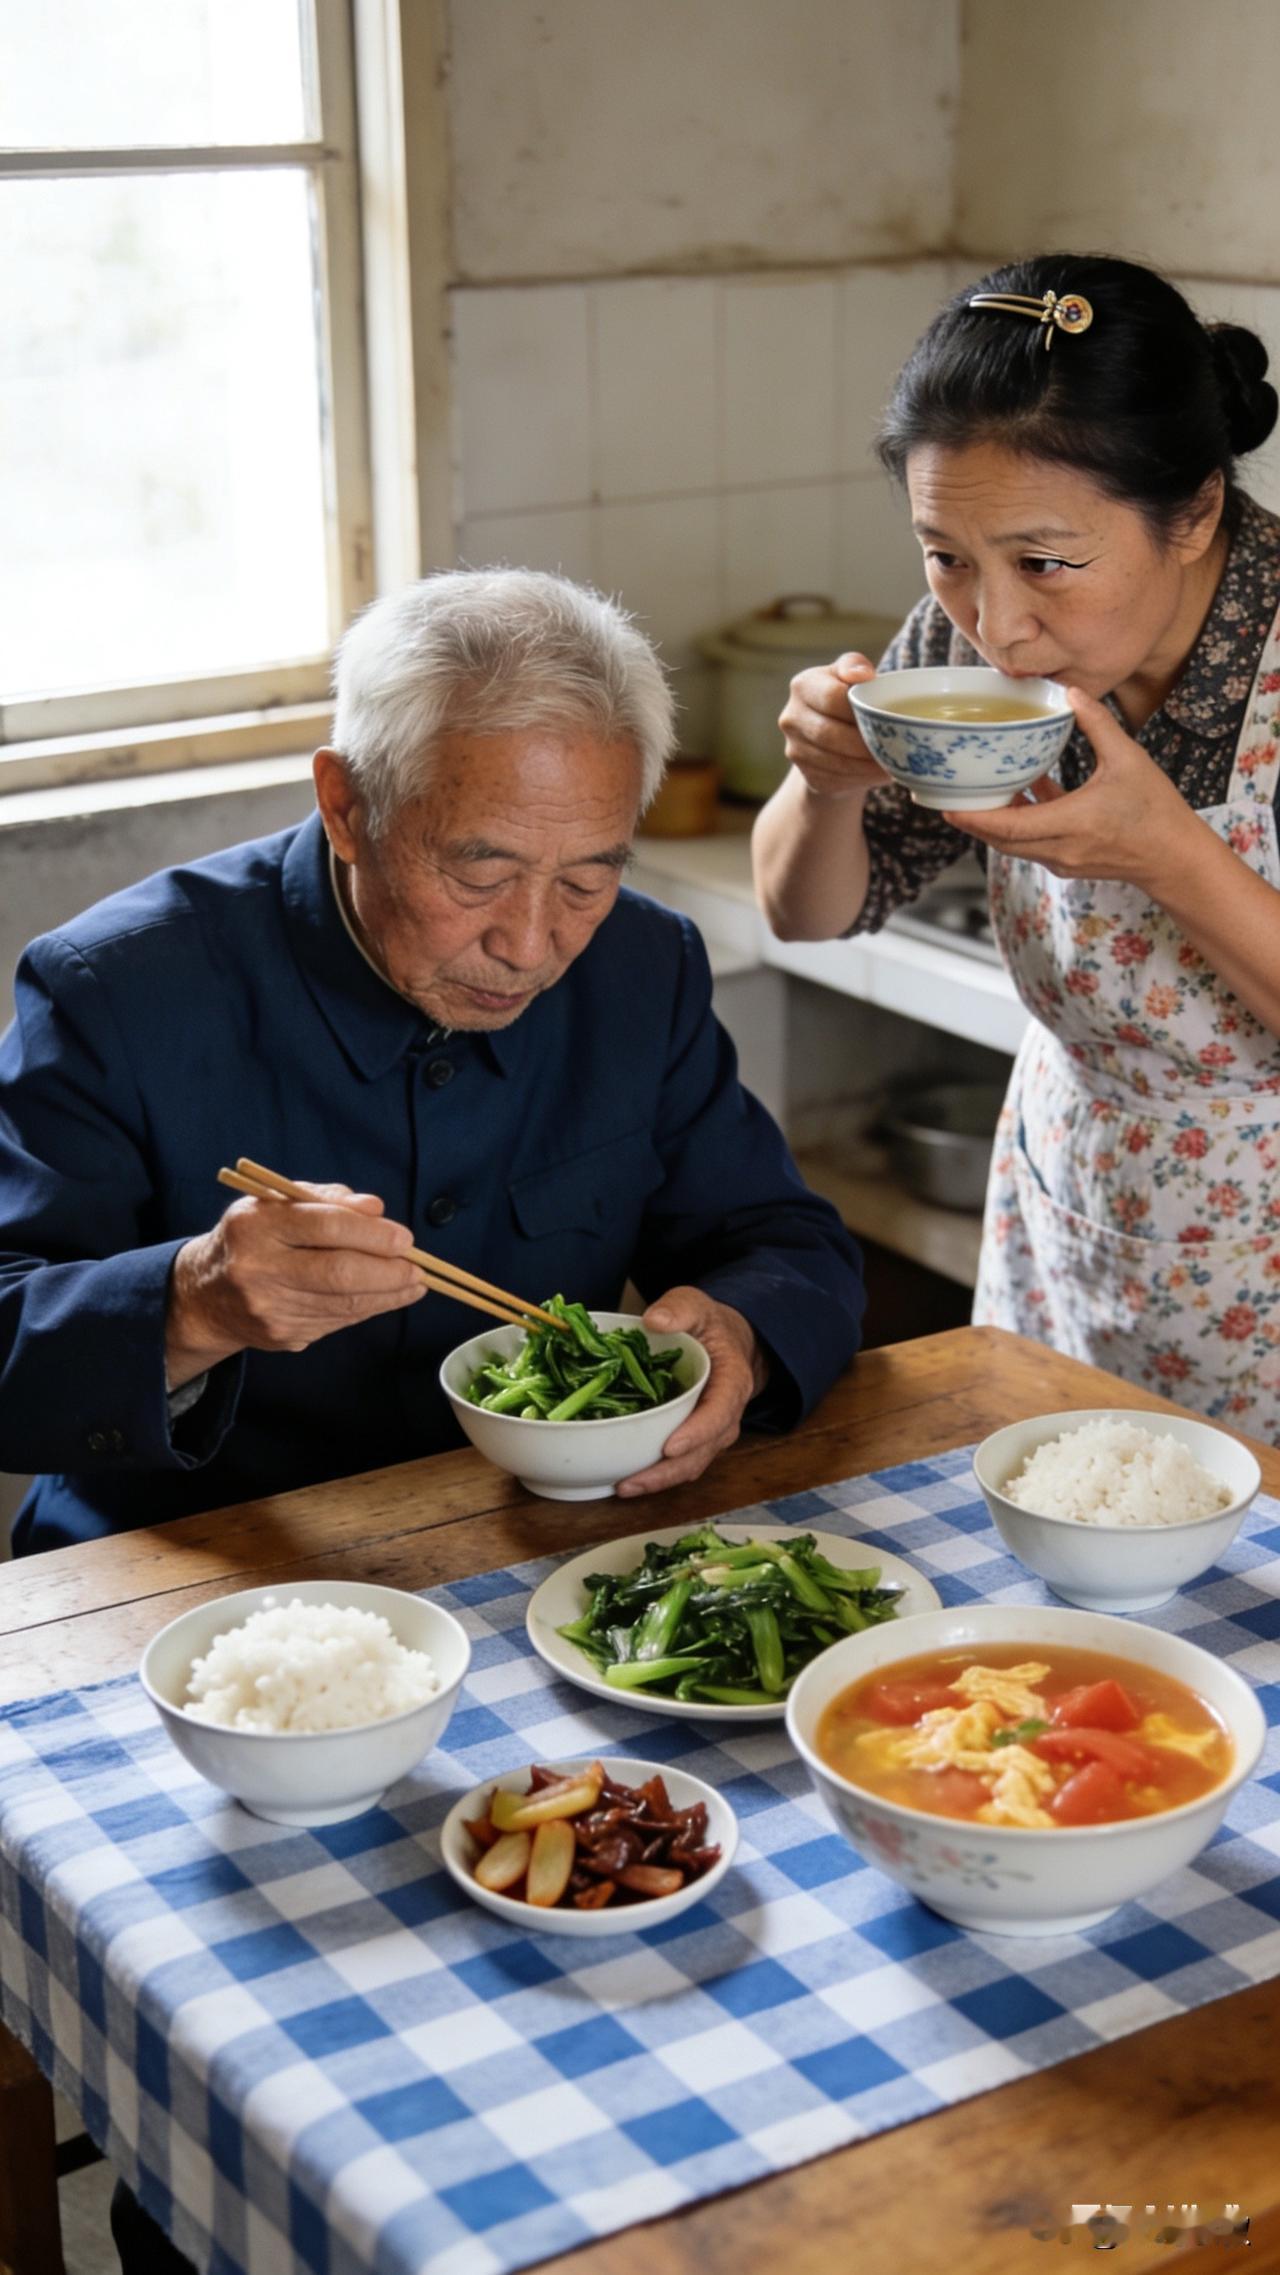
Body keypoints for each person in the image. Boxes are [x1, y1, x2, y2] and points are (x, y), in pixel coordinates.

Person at [0, 568, 864, 1562]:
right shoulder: (117, 990)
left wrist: (741, 1340)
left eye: (586, 877)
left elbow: (787, 1245)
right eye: (480, 872)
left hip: (532, 1554)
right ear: (344, 805)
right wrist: (195, 1299)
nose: (532, 944)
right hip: (191, 1576)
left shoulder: (641, 962)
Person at [752, 253, 1280, 1432]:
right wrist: (822, 784)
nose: (994, 624)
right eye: (945, 554)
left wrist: (1165, 852)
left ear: (1193, 511)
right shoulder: (964, 644)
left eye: (1045, 562)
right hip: (1071, 1215)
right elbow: (806, 913)